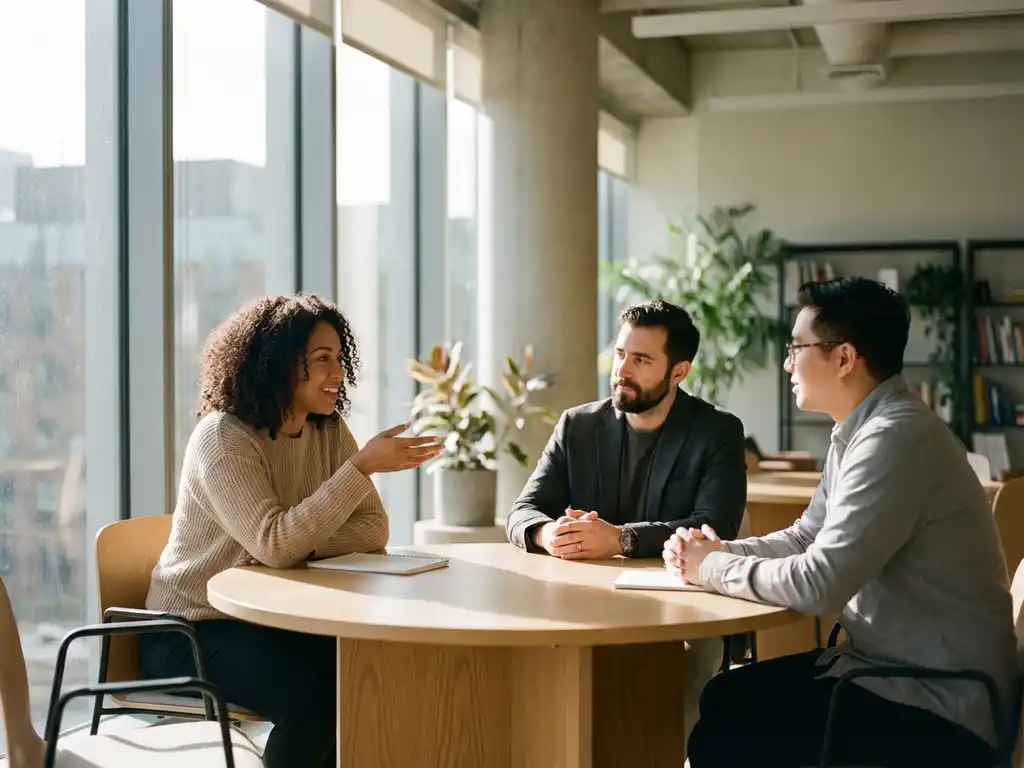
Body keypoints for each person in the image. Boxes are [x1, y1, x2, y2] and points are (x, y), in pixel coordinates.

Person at [667, 278, 1018, 767]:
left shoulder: (894, 439)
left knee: (724, 735)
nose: (787, 362)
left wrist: (711, 568)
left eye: (796, 347)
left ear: (844, 357)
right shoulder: (860, 431)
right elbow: (807, 536)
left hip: (938, 705)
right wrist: (718, 551)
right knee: (723, 696)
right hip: (883, 671)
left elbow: (820, 584)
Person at [140, 294, 442, 768]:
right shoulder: (223, 438)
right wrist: (358, 470)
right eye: (322, 360)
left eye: (339, 359)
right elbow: (277, 543)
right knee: (314, 705)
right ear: (279, 363)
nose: (337, 373)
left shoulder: (327, 431)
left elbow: (371, 528)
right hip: (189, 631)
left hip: (262, 622)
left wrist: (293, 543)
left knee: (370, 675)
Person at [506, 299, 748, 745]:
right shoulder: (577, 425)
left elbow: (716, 524)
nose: (623, 370)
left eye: (641, 360)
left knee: (682, 683)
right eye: (620, 355)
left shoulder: (718, 432)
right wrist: (548, 533)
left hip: (684, 606)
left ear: (679, 372)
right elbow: (523, 511)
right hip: (582, 603)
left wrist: (620, 539)